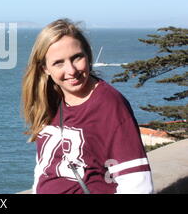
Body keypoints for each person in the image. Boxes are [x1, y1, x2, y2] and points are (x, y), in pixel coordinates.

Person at [21, 18, 153, 194]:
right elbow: (45, 166)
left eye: (77, 57)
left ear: (88, 56)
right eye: (58, 62)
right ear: (45, 68)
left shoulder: (109, 104)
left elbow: (136, 182)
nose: (71, 71)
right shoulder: (51, 100)